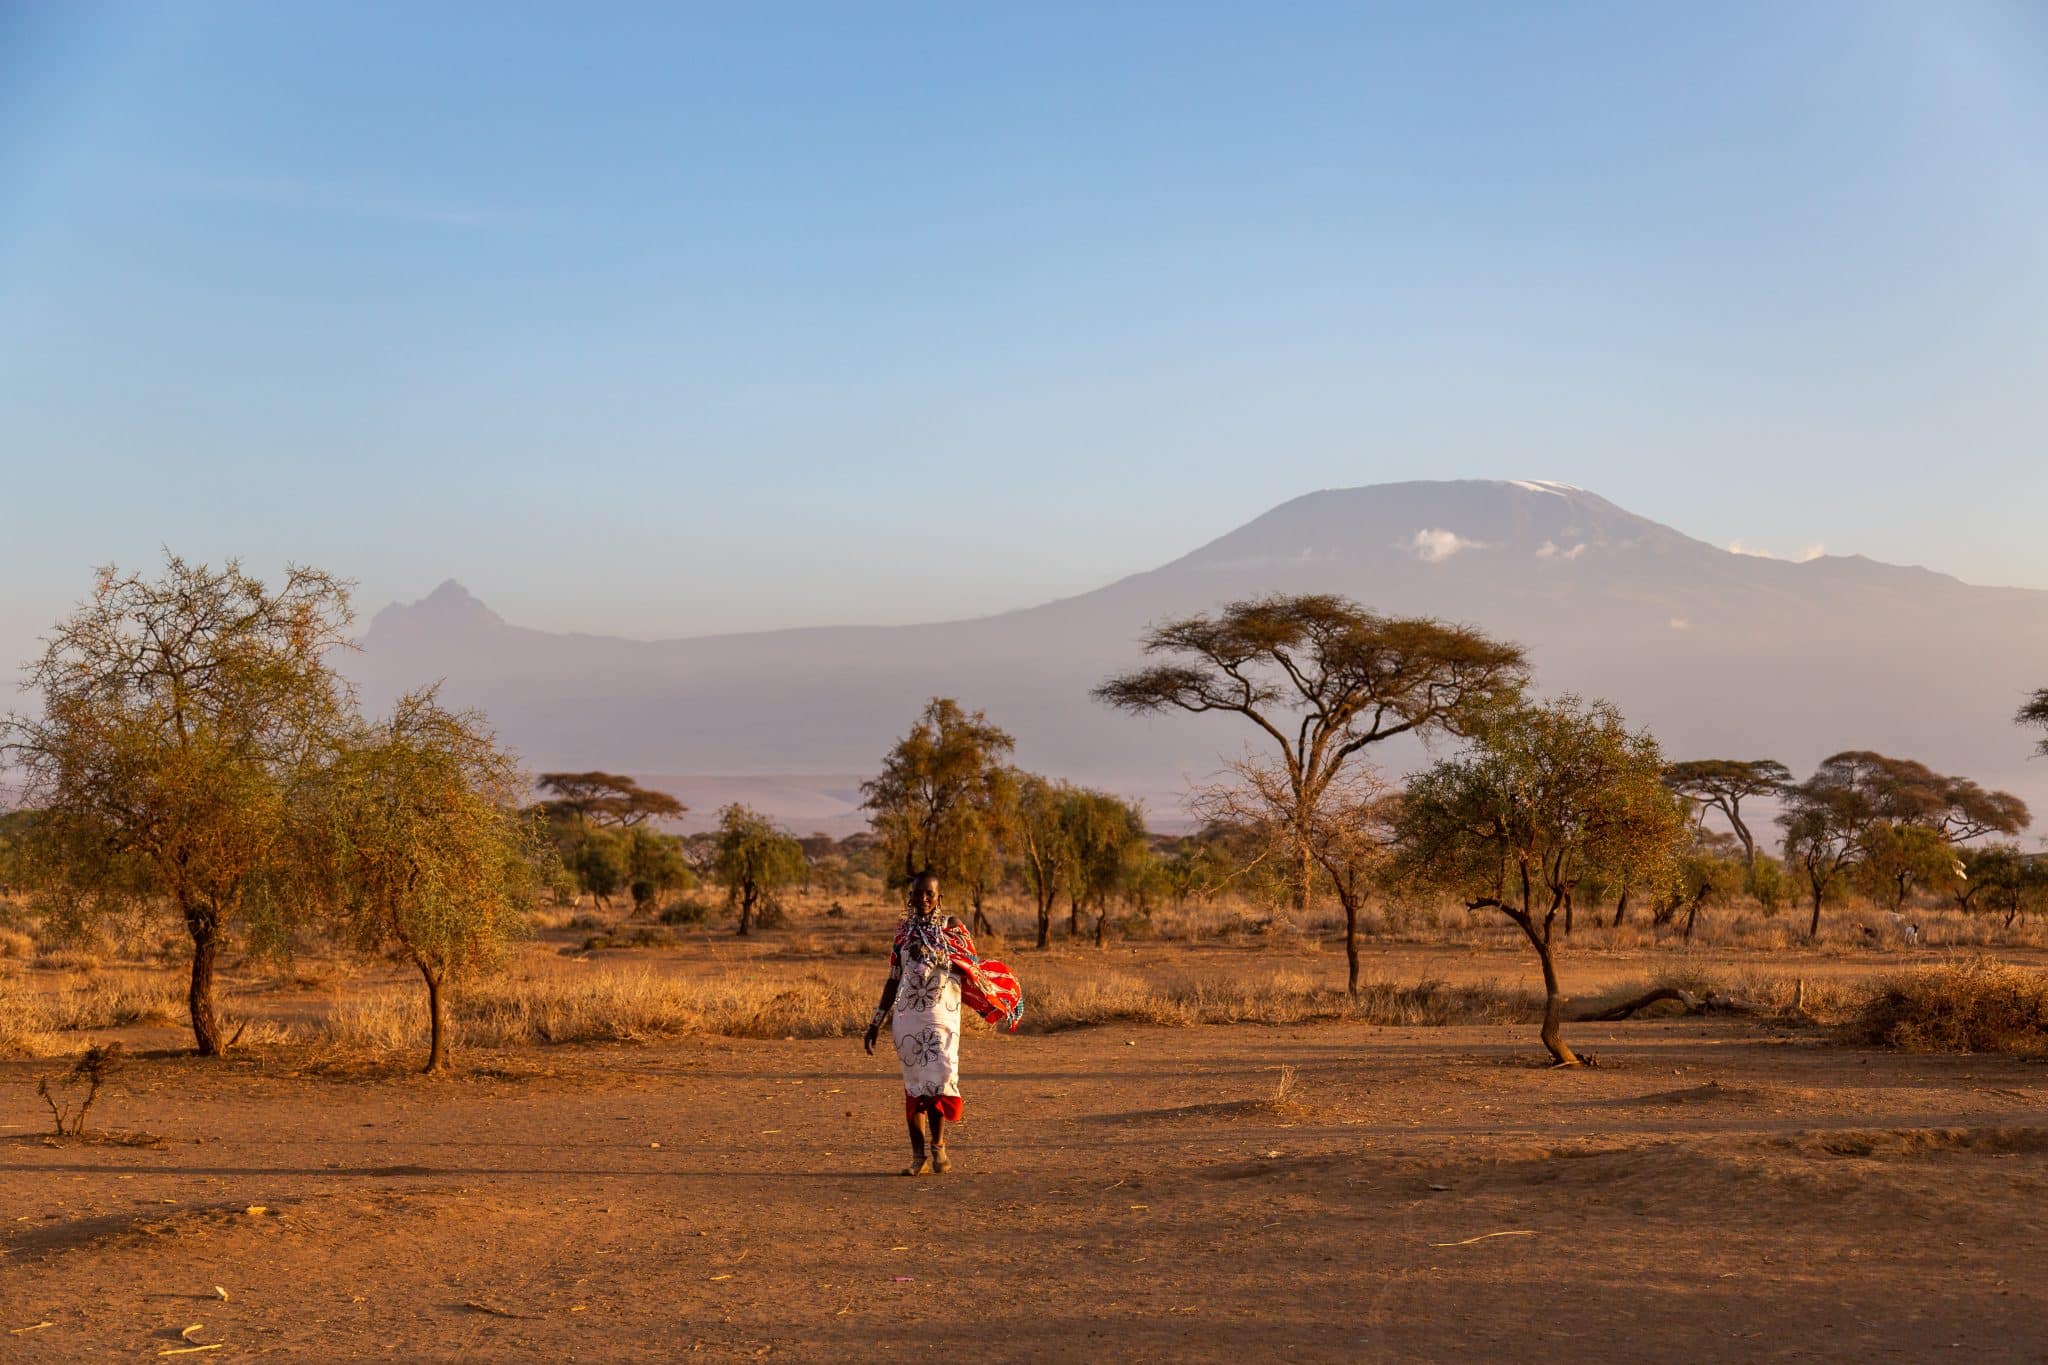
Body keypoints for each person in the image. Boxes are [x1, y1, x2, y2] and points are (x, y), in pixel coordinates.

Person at [863, 872, 1024, 1176]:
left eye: (929, 894)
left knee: (938, 1082)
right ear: (909, 897)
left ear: (939, 897)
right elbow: (893, 978)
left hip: (941, 1016)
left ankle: (938, 1147)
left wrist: (940, 958)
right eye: (917, 894)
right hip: (907, 1018)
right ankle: (917, 1157)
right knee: (914, 1087)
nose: (922, 899)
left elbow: (970, 966)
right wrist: (876, 1021)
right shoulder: (902, 933)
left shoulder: (953, 928)